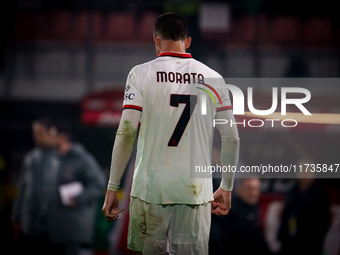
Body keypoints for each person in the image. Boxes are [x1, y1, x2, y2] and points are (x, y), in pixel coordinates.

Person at [102, 12, 240, 254]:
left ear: (156, 40)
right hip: (195, 192)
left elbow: (126, 133)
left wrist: (113, 186)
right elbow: (231, 138)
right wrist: (226, 186)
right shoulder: (213, 78)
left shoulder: (140, 74)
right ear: (187, 41)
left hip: (149, 190)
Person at [47, 122, 105, 255]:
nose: (49, 139)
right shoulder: (54, 160)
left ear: (61, 137)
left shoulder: (82, 159)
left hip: (75, 228)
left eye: (52, 135)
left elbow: (99, 183)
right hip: (56, 228)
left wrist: (78, 199)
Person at [11, 116, 57, 255]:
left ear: (51, 132)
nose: (36, 136)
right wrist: (15, 218)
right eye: (34, 132)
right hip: (29, 223)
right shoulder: (30, 158)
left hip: (53, 226)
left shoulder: (60, 157)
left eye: (40, 132)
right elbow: (22, 189)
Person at [277, 160, 331, 255]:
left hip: (309, 244)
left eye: (308, 171)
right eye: (302, 170)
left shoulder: (320, 194)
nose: (305, 174)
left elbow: (324, 221)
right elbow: (286, 214)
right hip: (289, 242)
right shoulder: (292, 191)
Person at [209, 177, 271, 255]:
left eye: (257, 189)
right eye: (249, 189)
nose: (254, 194)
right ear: (238, 189)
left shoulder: (256, 208)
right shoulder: (227, 211)